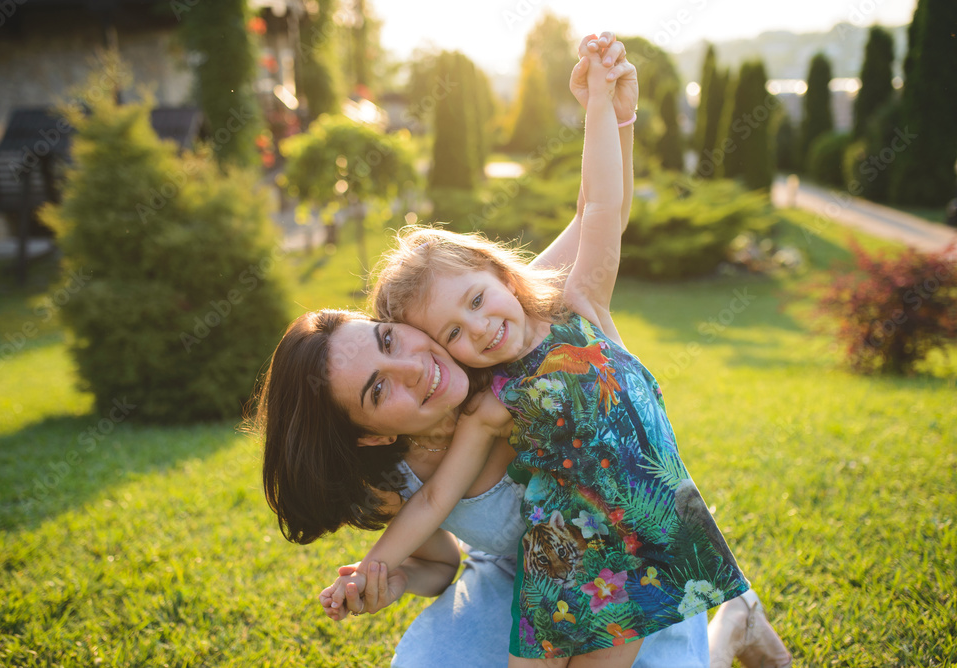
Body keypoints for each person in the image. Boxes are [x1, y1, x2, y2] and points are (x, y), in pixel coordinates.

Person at [257, 33, 790, 668]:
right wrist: (383, 574)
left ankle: (733, 624)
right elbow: (435, 549)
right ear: (369, 434)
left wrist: (612, 111)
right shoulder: (456, 408)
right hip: (534, 576)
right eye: (378, 390)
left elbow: (600, 214)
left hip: (635, 543)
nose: (418, 364)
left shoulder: (521, 311)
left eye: (387, 339)